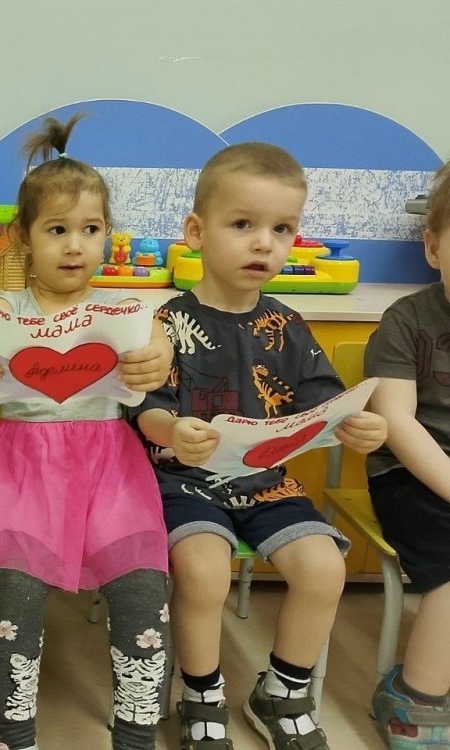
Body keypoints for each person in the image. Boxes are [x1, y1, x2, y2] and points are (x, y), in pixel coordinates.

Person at [133, 142, 388, 750]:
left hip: (267, 483)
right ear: (197, 232)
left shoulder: (288, 325)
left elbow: (325, 406)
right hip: (182, 482)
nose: (263, 244)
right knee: (203, 570)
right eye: (243, 224)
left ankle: (281, 691)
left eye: (282, 229)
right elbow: (143, 409)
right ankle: (201, 693)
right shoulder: (163, 323)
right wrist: (172, 431)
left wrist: (359, 426)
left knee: (324, 568)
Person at [0, 114, 175, 750]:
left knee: (143, 592)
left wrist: (156, 357)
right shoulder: (0, 310)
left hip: (110, 465)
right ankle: (14, 735)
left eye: (90, 229)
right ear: (21, 238)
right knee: (14, 599)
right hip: (23, 465)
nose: (75, 245)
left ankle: (137, 734)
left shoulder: (123, 311)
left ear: (108, 235)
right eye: (57, 230)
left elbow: (155, 348)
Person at [366, 160, 450, 749]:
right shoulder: (406, 320)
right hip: (410, 472)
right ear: (434, 247)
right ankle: (416, 697)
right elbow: (396, 422)